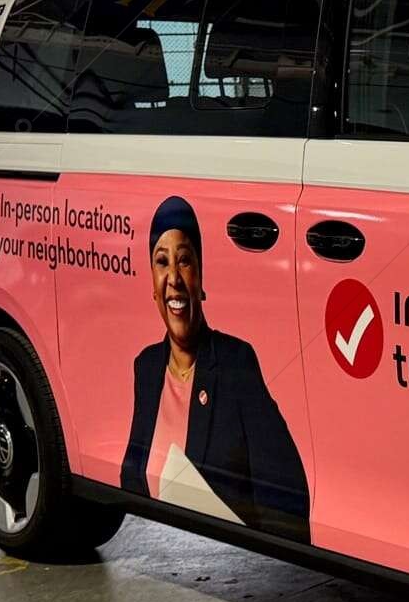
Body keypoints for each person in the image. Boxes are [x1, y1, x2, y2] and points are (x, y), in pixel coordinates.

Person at [120, 196, 310, 541]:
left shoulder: (235, 362)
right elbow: (131, 476)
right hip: (166, 554)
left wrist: (261, 556)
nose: (173, 278)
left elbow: (287, 491)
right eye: (162, 262)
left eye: (184, 260)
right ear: (152, 285)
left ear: (201, 277)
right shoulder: (146, 367)